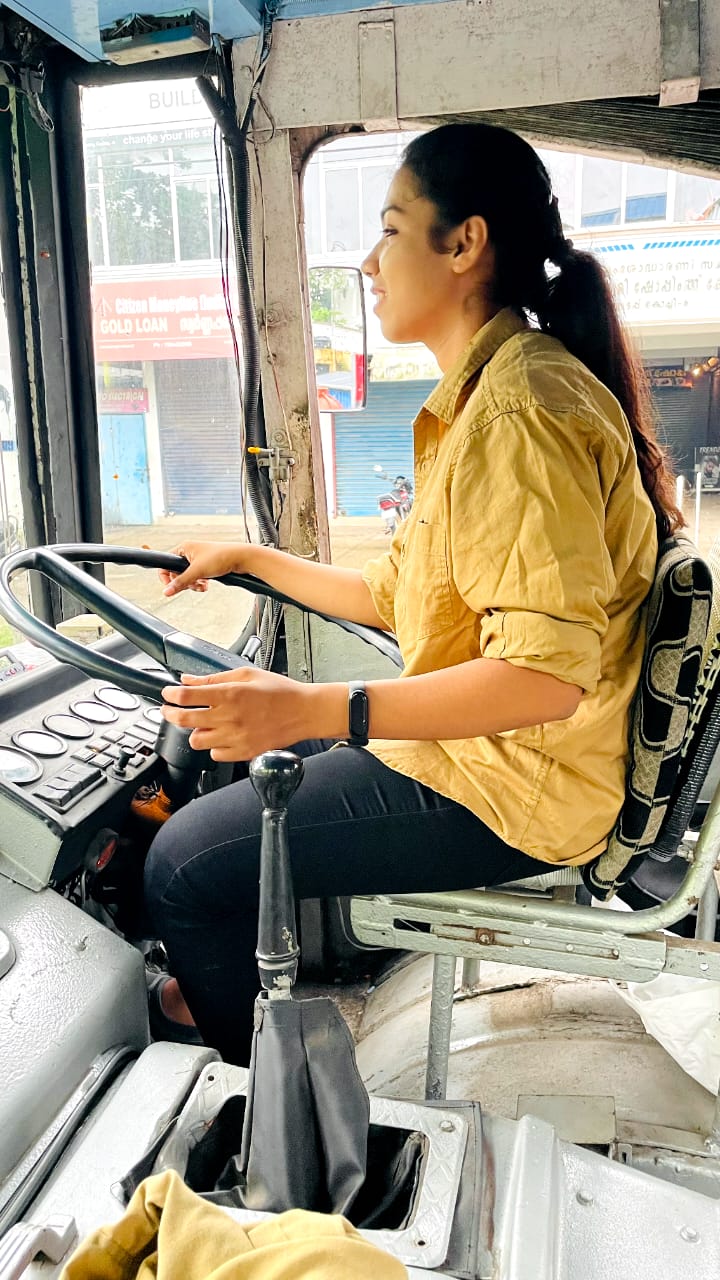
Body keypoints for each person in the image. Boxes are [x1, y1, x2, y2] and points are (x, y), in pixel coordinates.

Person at [143, 122, 683, 1065]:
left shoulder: (520, 416)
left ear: (463, 244)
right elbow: (396, 596)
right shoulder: (488, 399)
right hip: (494, 758)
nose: (368, 260)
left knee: (183, 868)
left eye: (391, 229)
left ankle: (261, 1103)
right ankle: (219, 987)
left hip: (519, 786)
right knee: (205, 743)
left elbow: (543, 678)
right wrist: (251, 559)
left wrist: (316, 706)